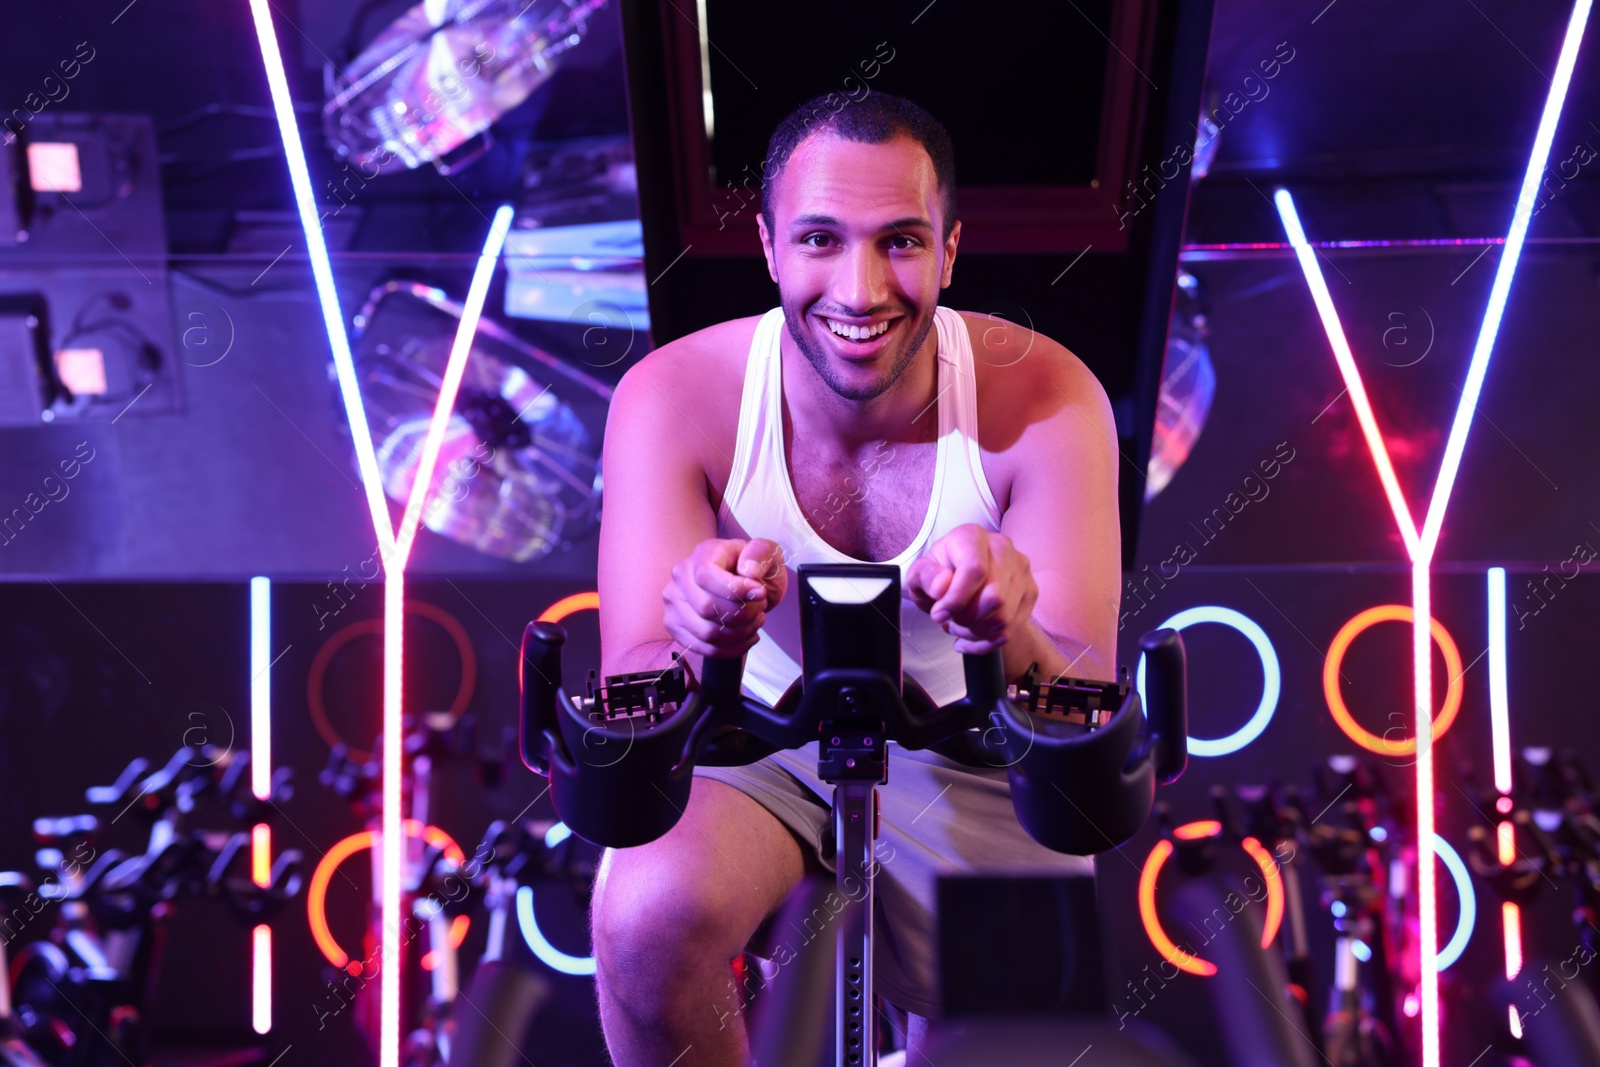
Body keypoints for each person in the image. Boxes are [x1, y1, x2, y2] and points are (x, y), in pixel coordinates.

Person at [590, 91, 1121, 1066]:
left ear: (951, 251)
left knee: (1007, 1044)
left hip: (978, 752)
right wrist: (698, 628)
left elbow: (1078, 695)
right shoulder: (672, 394)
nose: (860, 288)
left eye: (902, 242)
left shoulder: (1047, 392)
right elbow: (634, 668)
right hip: (755, 740)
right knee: (644, 915)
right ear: (768, 246)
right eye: (822, 239)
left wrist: (1007, 623)